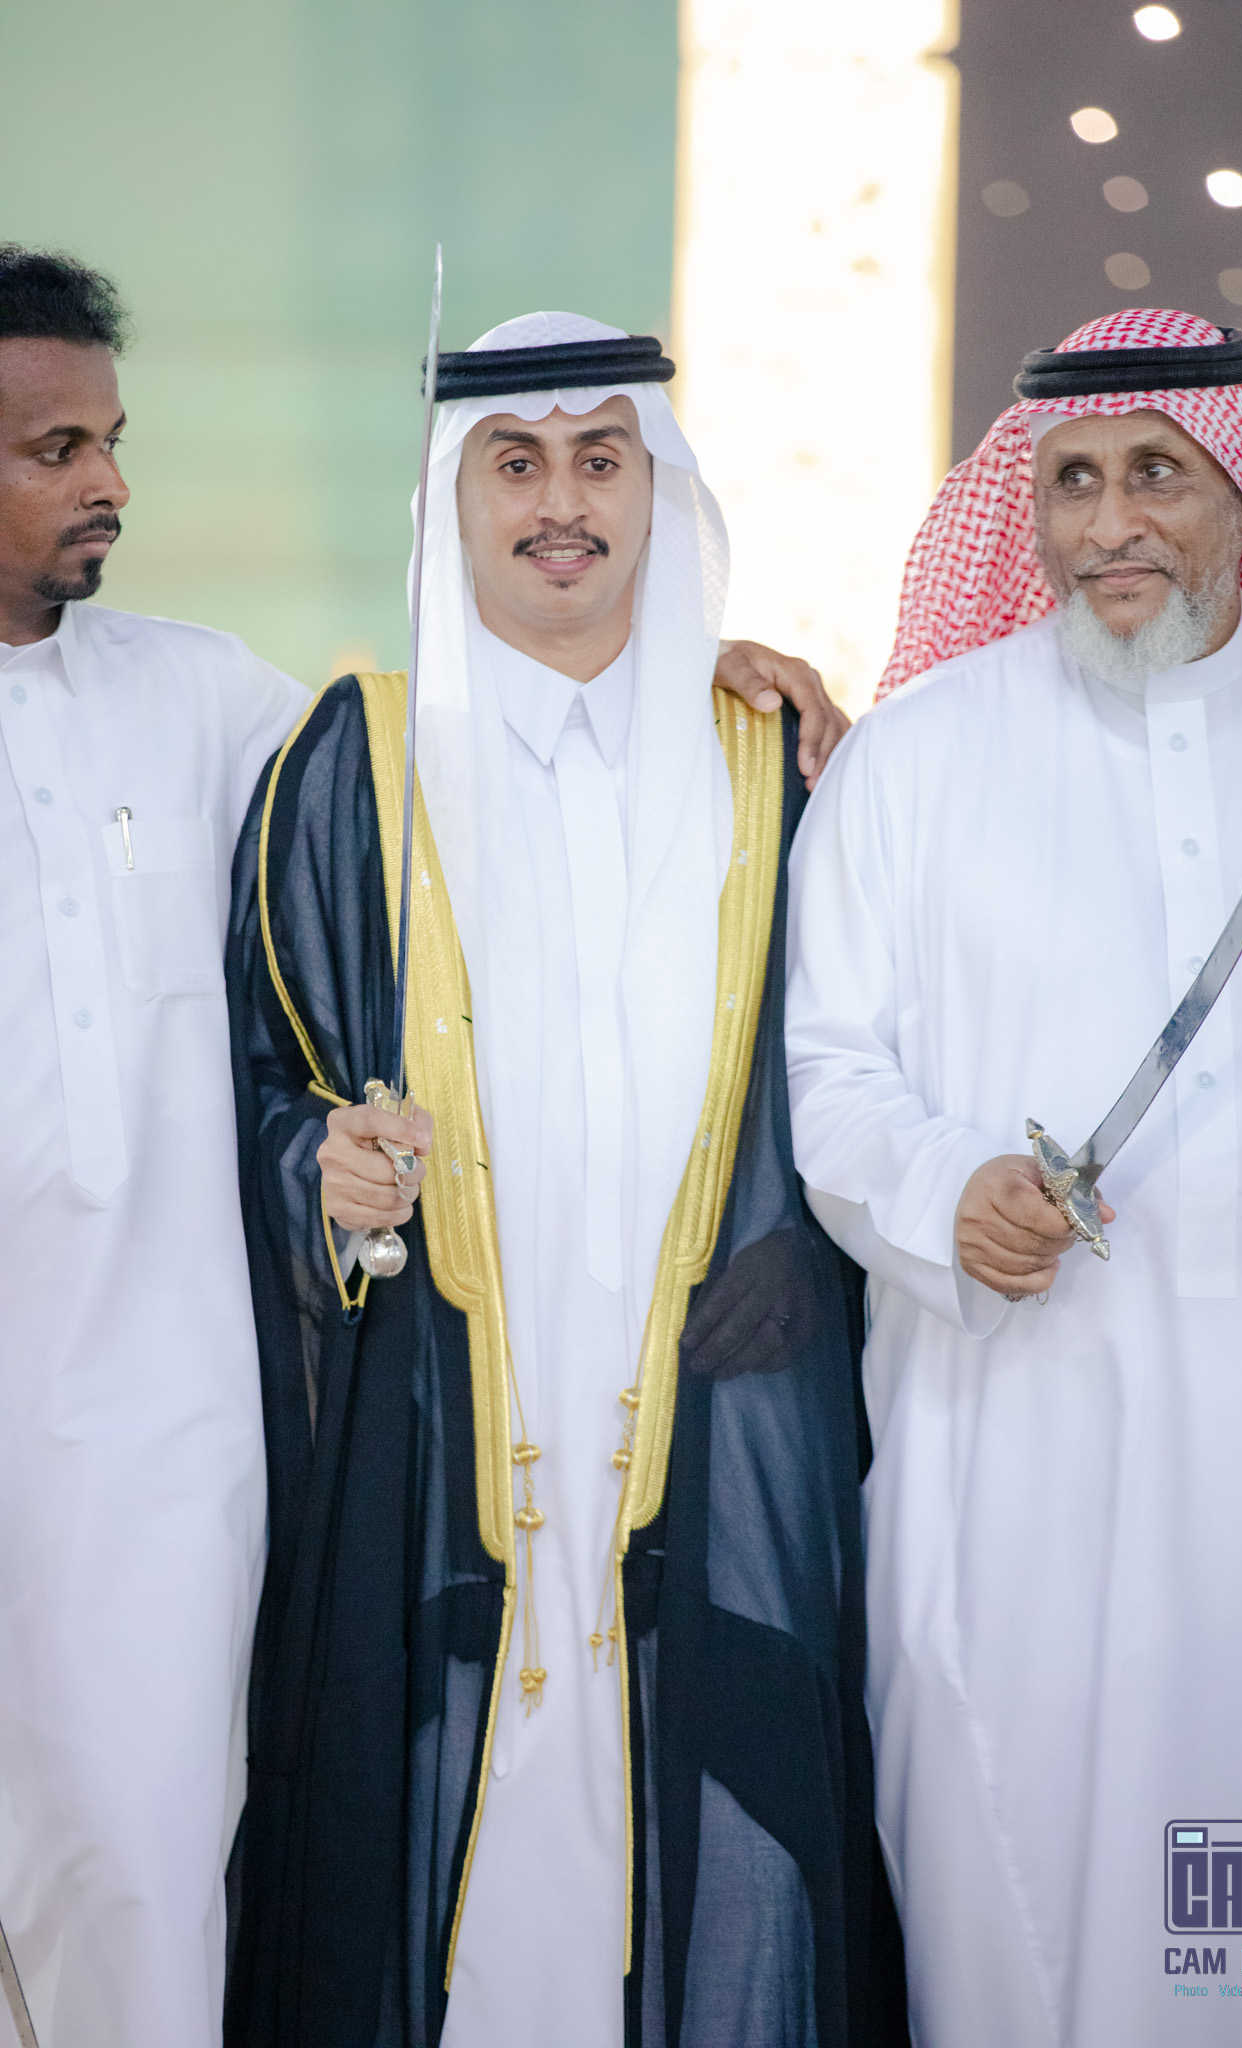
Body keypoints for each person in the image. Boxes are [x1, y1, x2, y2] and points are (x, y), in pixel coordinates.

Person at [224, 311, 900, 2048]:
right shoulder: (352, 758)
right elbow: (259, 1084)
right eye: (513, 465)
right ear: (451, 504)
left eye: (603, 460)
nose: (560, 506)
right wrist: (325, 1176)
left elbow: (856, 1077)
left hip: (713, 1413)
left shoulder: (776, 759)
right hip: (445, 1408)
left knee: (719, 1815)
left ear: (660, 489)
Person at [785, 308, 1242, 2047]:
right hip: (1007, 1462)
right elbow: (830, 1073)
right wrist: (944, 1188)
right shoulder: (912, 759)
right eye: (1071, 482)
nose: (1110, 523)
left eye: (1155, 475)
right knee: (1008, 1921)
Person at [0, 245, 309, 2048]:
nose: (108, 481)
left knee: (140, 1896)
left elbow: (447, 799)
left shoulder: (207, 702)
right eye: (56, 450)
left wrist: (698, 684)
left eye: (111, 441)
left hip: (150, 1448)